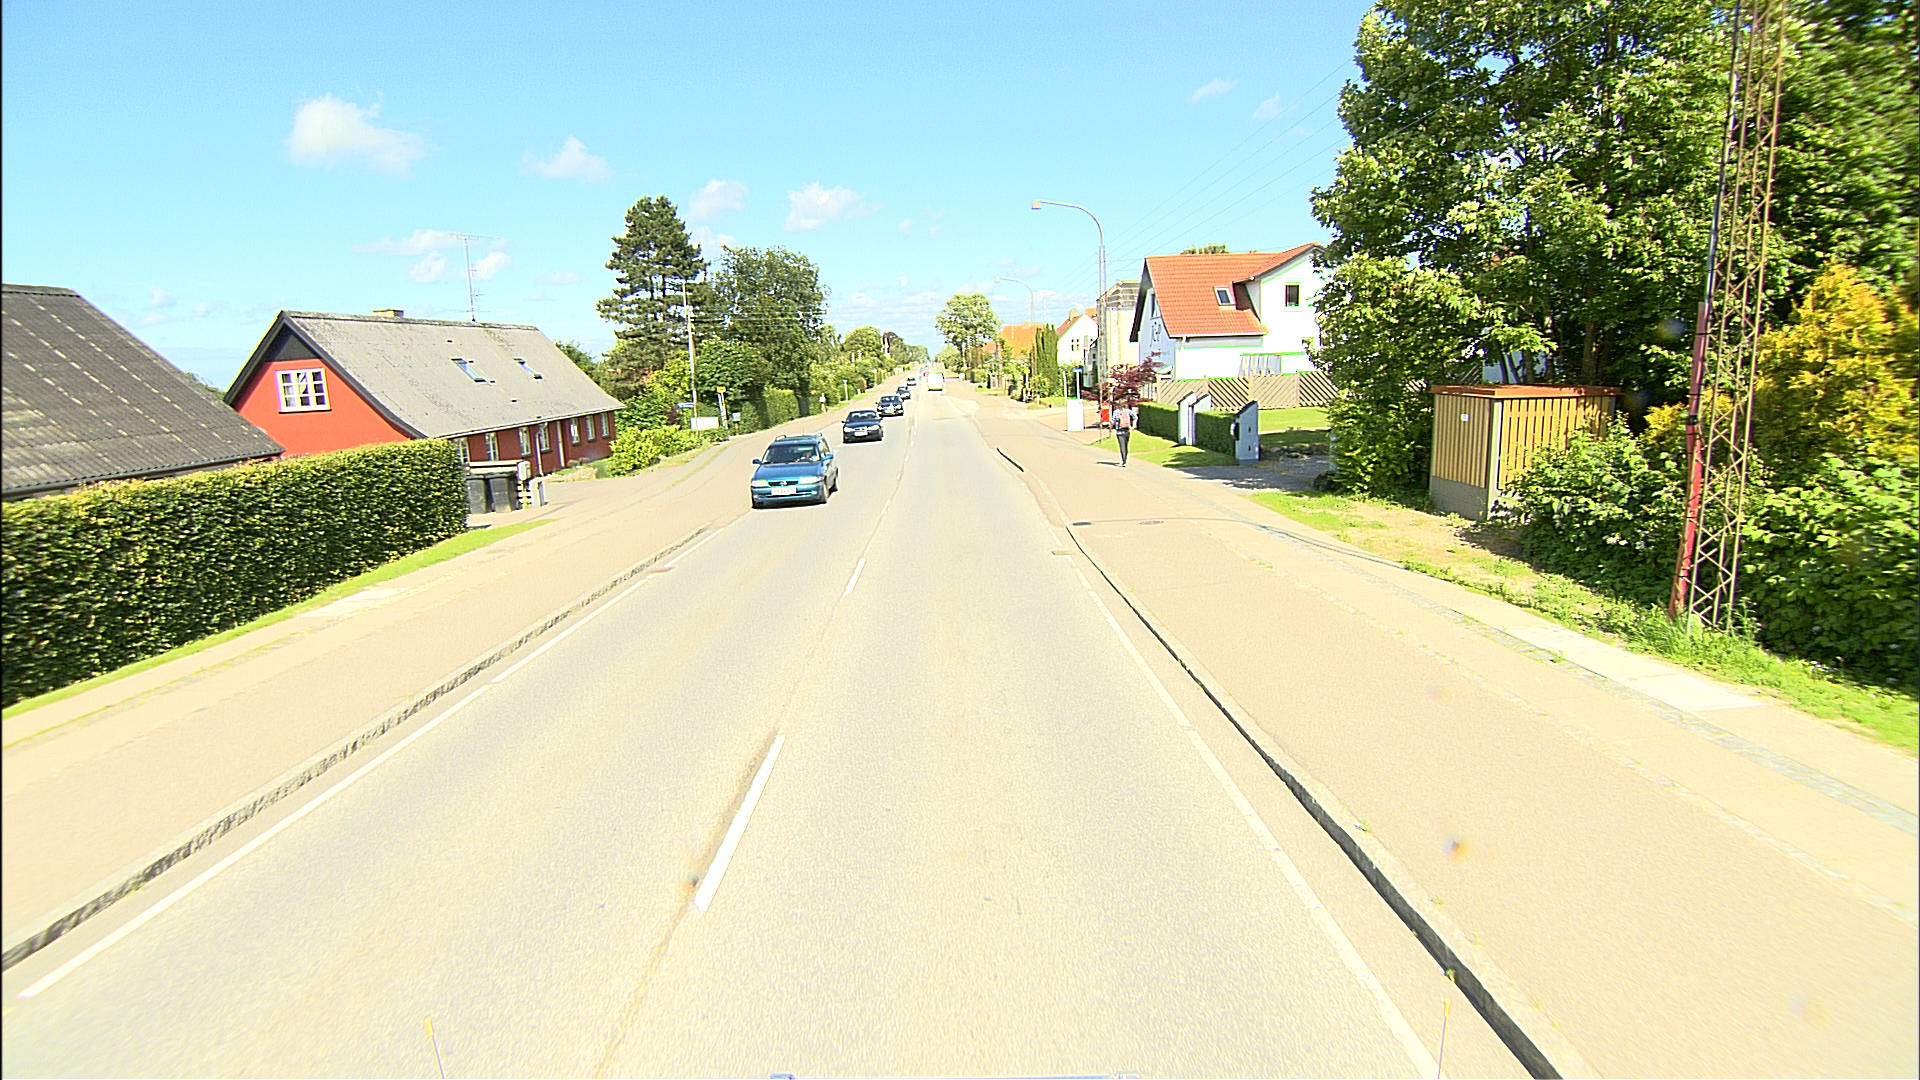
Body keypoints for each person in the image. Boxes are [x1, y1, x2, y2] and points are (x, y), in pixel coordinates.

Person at [1113, 402, 1135, 467]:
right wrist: (1133, 425)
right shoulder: (1128, 411)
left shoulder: (1116, 412)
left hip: (1119, 432)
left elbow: (1112, 420)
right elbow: (1135, 417)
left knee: (1122, 446)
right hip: (1127, 431)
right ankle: (1125, 459)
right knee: (1126, 445)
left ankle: (1124, 461)